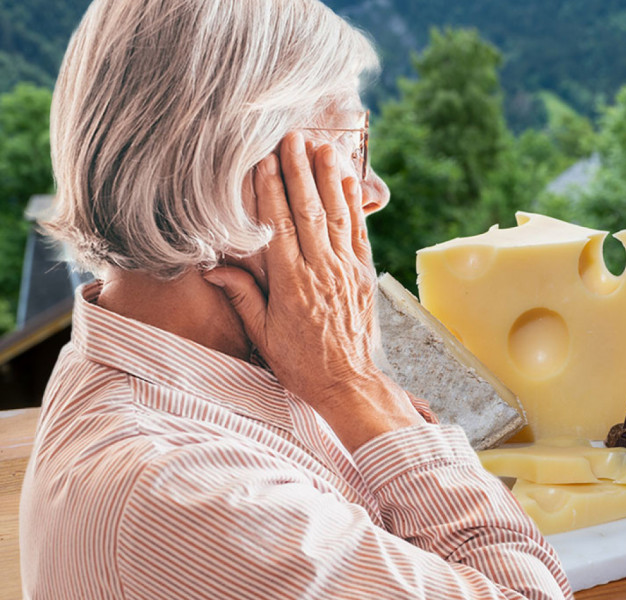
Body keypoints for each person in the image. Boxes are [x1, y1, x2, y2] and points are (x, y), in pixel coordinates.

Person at [18, 1, 572, 599]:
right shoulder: (191, 493)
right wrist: (354, 386)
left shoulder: (186, 369)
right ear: (232, 168)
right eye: (352, 146)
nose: (375, 191)